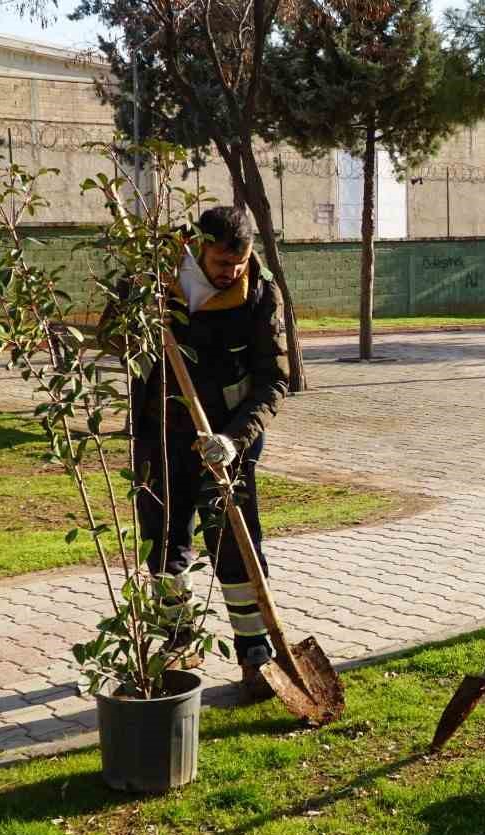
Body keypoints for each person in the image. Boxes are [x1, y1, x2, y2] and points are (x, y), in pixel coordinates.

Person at [99, 206, 290, 701]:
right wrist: (140, 320)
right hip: (159, 430)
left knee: (235, 545)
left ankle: (255, 655)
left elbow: (274, 379)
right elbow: (110, 338)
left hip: (225, 437)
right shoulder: (152, 280)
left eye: (240, 263)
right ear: (199, 248)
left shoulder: (261, 293)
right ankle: (179, 640)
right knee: (163, 540)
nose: (231, 273)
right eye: (222, 263)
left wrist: (234, 440)